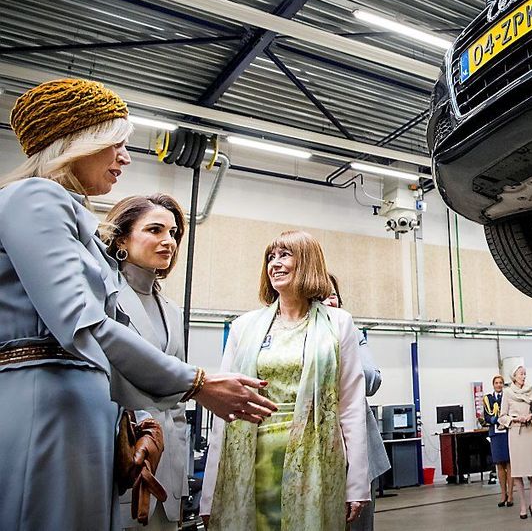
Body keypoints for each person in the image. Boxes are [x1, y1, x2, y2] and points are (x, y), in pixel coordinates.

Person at [0, 78, 276, 530]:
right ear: (77, 141)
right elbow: (83, 325)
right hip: (47, 407)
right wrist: (197, 383)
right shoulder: (35, 196)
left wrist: (141, 416)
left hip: (83, 410)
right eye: (116, 144)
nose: (125, 158)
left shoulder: (74, 217)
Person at [201, 230, 369, 530]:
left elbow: (351, 405)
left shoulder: (338, 324)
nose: (275, 264)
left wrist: (356, 483)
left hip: (317, 460)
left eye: (285, 255)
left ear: (307, 262)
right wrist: (210, 492)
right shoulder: (244, 327)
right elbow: (224, 411)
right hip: (254, 459)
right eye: (270, 257)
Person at [102, 194, 192, 530]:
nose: (168, 241)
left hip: (167, 475)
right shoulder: (104, 296)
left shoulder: (172, 311)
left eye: (173, 233)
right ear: (122, 238)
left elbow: (179, 406)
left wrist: (180, 479)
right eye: (155, 230)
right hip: (120, 459)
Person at [324, 272, 390, 531]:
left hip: (359, 456)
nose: (329, 301)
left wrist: (344, 343)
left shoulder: (352, 333)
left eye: (333, 295)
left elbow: (372, 381)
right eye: (321, 297)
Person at [498, 365, 532, 520]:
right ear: (514, 376)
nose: (524, 376)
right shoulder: (508, 392)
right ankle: (523, 505)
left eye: (525, 374)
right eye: (521, 374)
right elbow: (502, 416)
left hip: (530, 432)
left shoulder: (531, 390)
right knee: (517, 471)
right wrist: (514, 419)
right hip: (516, 433)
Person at [483, 374, 512, 507]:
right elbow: (486, 417)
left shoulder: (508, 397)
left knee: (509, 464)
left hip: (507, 433)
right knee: (499, 464)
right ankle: (502, 494)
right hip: (495, 433)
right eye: (496, 383)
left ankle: (511, 494)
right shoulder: (488, 399)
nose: (499, 385)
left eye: (501, 383)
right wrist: (495, 419)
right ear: (493, 384)